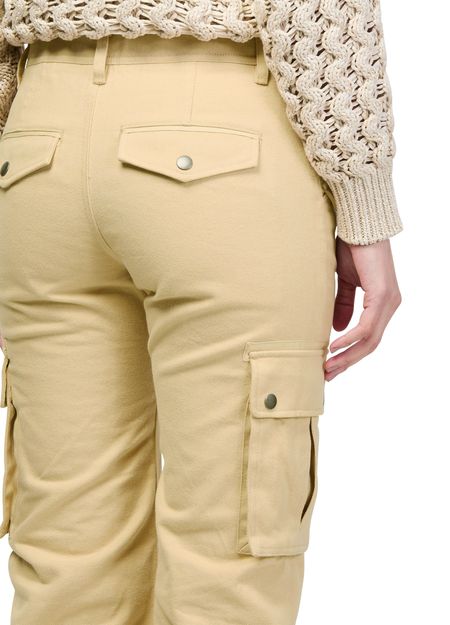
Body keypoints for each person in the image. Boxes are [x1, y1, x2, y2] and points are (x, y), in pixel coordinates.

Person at [0, 2, 402, 624]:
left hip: (37, 145)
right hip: (224, 143)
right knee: (229, 556)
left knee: (66, 546)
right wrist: (362, 204)